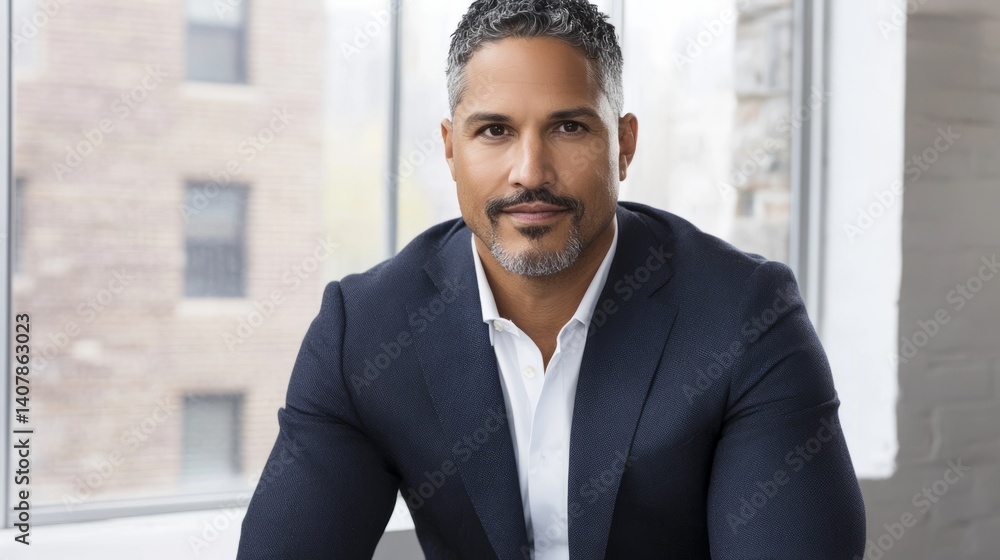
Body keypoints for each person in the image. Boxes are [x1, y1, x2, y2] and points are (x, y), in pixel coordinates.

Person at [237, 1, 866, 558]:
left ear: (624, 144)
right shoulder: (364, 332)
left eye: (569, 127)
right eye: (495, 130)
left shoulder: (747, 317)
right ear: (451, 148)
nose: (530, 172)